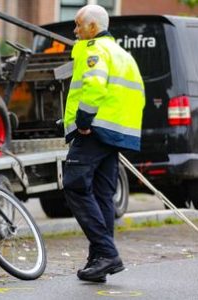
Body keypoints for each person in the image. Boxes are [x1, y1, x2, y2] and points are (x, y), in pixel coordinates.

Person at [62, 5, 144, 283]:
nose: (75, 31)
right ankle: (98, 259)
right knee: (102, 194)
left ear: (93, 28)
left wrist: (84, 120)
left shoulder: (93, 48)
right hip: (114, 133)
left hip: (93, 131)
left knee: (74, 183)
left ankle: (107, 254)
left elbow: (94, 85)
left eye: (78, 25)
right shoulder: (121, 53)